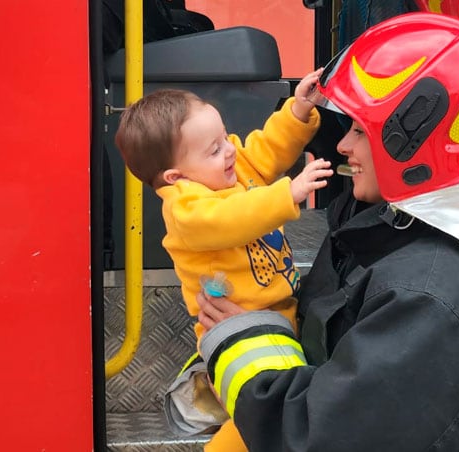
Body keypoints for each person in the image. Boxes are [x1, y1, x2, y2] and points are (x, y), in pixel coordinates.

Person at [195, 12, 459, 452]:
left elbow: (319, 438)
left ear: (413, 140)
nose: (344, 147)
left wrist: (239, 346)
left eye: (358, 130)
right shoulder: (372, 240)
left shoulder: (426, 298)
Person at [114, 69, 332, 452]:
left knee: (278, 408)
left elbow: (265, 150)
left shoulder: (232, 171)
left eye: (224, 137)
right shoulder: (187, 211)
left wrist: (297, 111)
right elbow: (232, 219)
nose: (230, 150)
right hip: (240, 332)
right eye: (213, 150)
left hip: (279, 317)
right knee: (268, 416)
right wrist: (288, 194)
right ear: (177, 176)